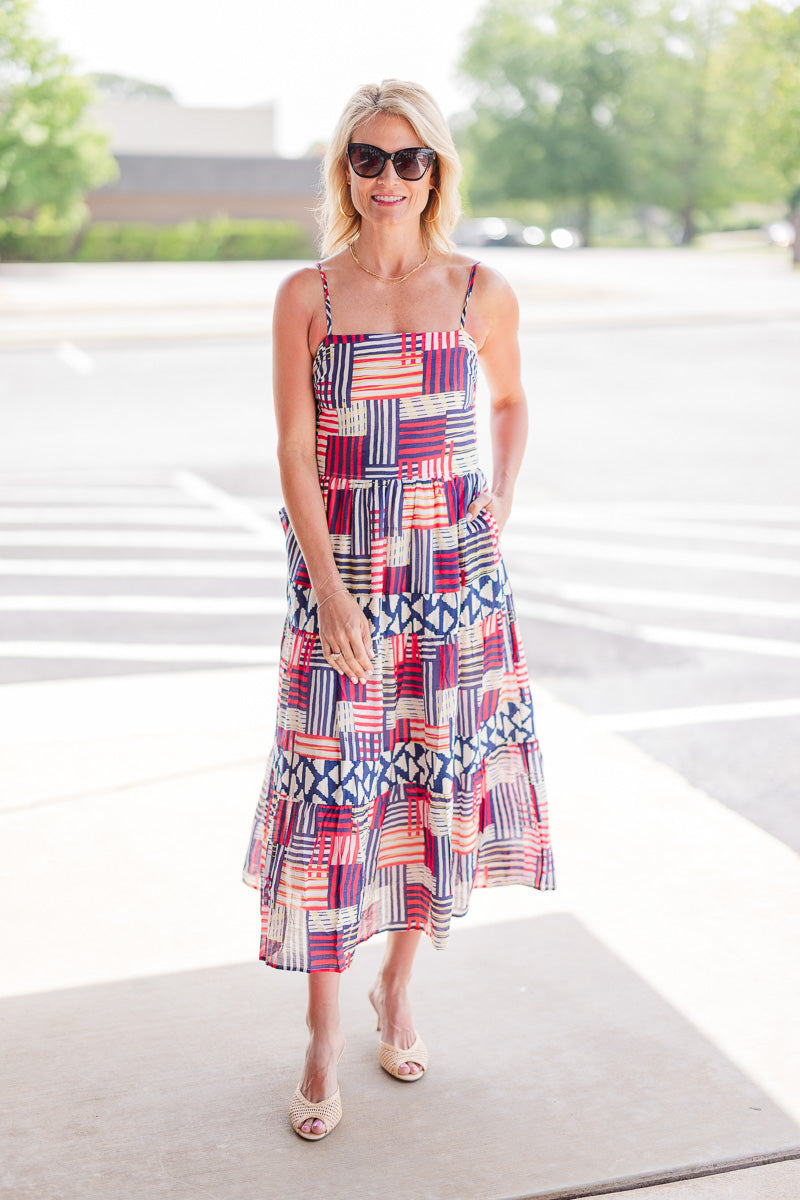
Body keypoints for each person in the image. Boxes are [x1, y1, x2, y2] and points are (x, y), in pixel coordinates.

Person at [242, 78, 556, 1141]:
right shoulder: (307, 298)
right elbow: (291, 450)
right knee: (333, 813)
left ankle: (397, 988)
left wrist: (499, 503)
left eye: (408, 158)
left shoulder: (476, 291)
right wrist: (326, 588)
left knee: (429, 795)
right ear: (345, 171)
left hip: (452, 586)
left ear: (436, 169)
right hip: (345, 588)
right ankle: (323, 1035)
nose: (388, 178)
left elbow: (509, 405)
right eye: (367, 159)